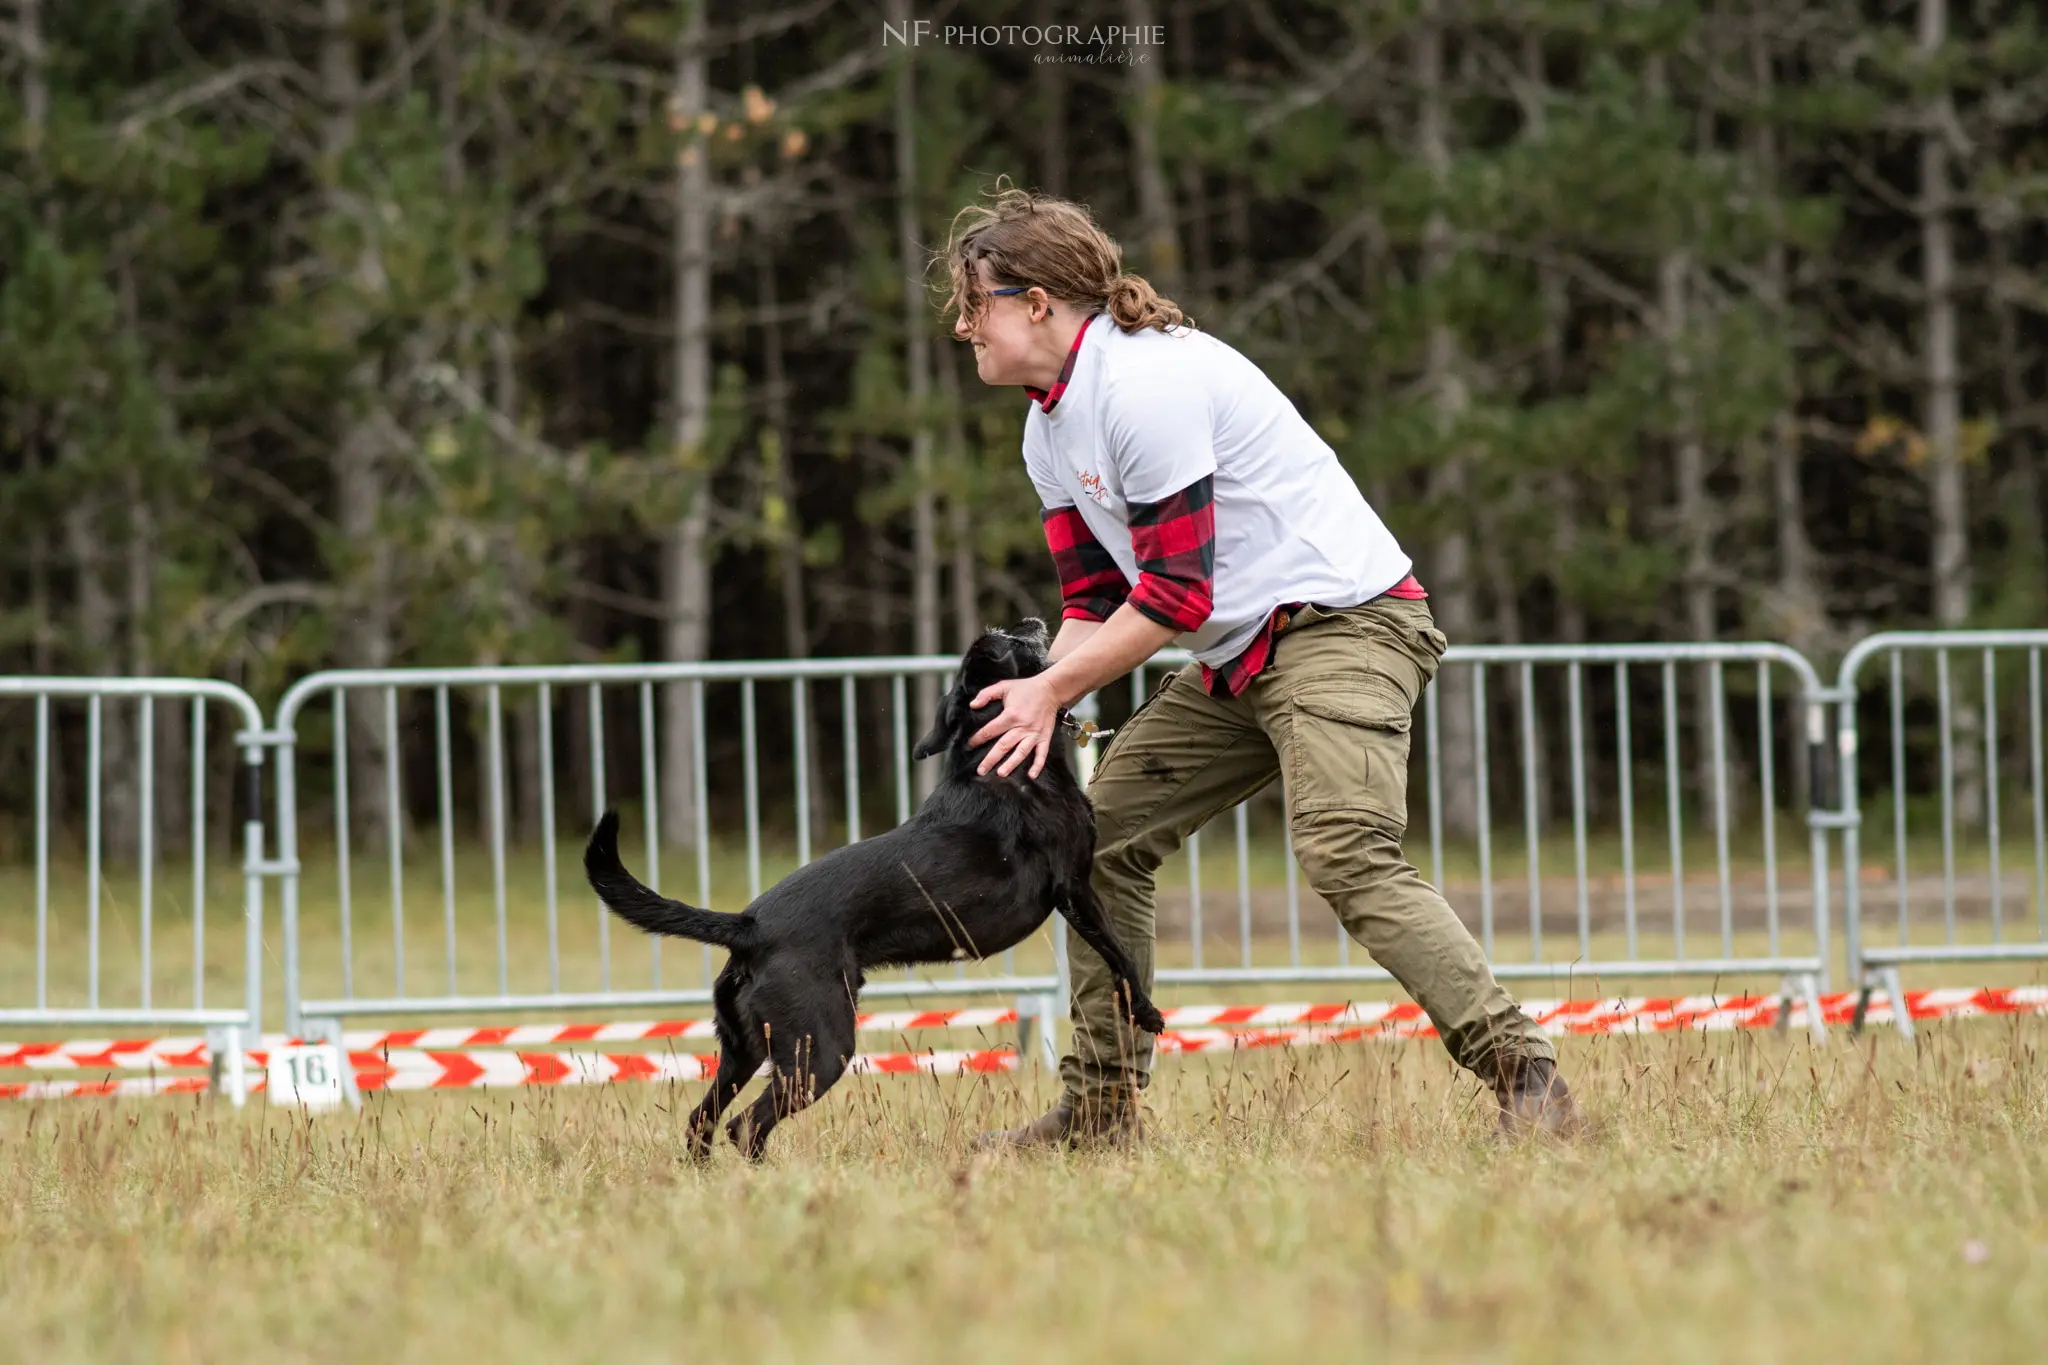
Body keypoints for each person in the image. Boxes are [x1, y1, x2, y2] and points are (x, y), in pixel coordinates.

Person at [938, 185, 1581, 1146]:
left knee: (1345, 852)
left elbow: (1175, 598)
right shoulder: (1048, 427)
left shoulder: (1143, 387)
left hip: (1349, 625)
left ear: (1039, 304)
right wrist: (1031, 703)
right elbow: (1090, 607)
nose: (961, 326)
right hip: (1241, 651)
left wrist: (1052, 692)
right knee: (1094, 844)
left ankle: (1529, 1083)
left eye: (973, 302)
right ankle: (1102, 1114)